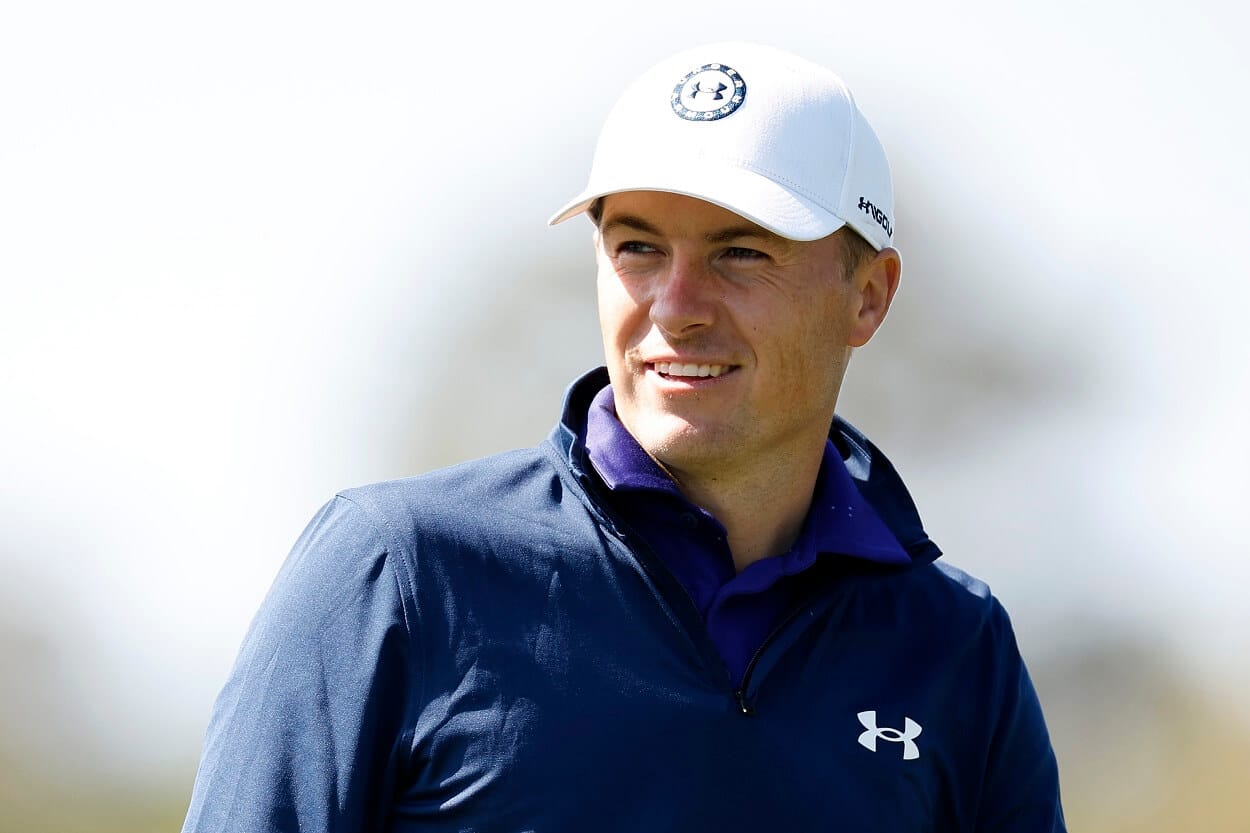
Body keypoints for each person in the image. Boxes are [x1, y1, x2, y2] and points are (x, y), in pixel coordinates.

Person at [182, 42, 1065, 832]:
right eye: (638, 249)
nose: (676, 308)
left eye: (741, 253)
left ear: (868, 294)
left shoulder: (954, 642)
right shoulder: (398, 571)